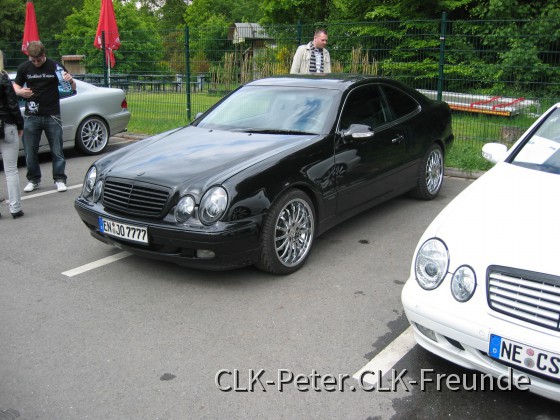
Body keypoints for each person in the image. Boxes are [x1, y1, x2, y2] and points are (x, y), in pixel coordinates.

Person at [13, 41, 75, 193]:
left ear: (44, 55)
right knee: (30, 150)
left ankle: (60, 179)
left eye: (38, 60)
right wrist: (20, 92)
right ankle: (33, 180)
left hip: (52, 114)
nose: (35, 63)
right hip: (31, 115)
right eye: (32, 60)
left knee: (57, 149)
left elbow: (72, 88)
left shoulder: (55, 66)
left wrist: (71, 81)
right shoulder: (24, 67)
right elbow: (15, 86)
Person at [0, 49, 25, 218]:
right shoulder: (3, 78)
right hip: (6, 124)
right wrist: (20, 124)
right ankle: (15, 208)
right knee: (10, 170)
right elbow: (12, 104)